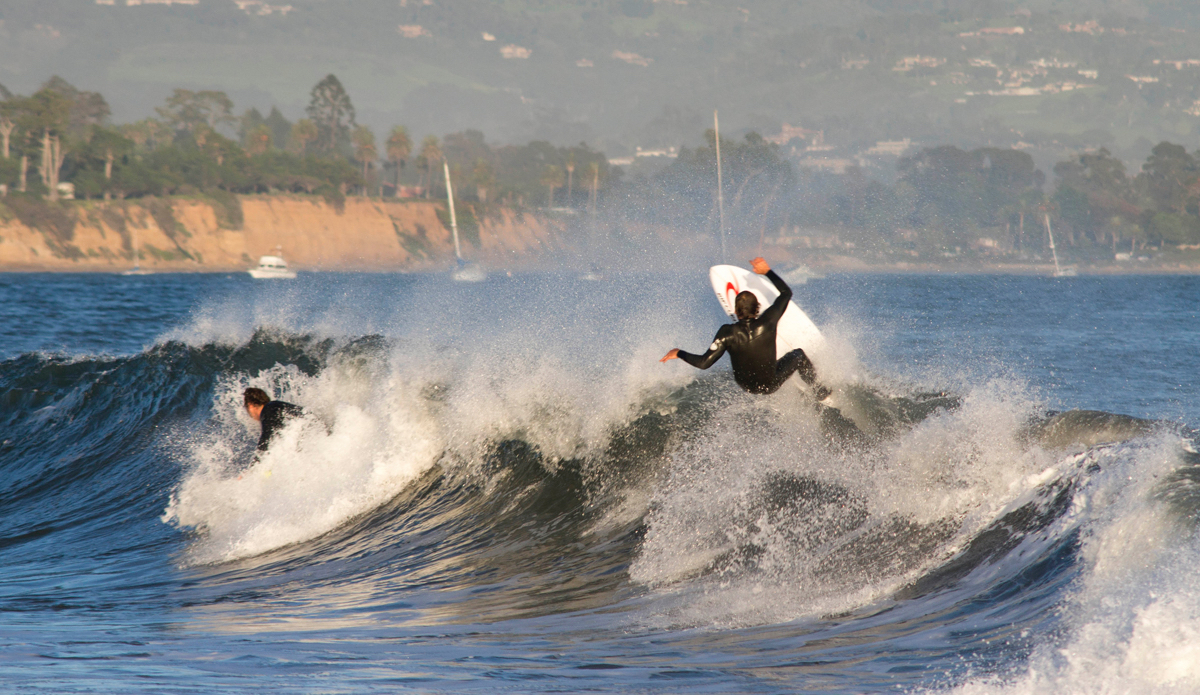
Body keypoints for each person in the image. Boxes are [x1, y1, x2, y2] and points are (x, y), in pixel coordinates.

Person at [660, 257, 830, 398]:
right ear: (758, 308)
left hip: (746, 386)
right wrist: (767, 271)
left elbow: (704, 363)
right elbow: (786, 293)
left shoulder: (727, 333)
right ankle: (820, 391)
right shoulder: (769, 321)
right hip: (771, 384)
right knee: (798, 355)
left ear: (735, 311)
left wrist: (679, 353)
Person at [243, 387, 305, 452]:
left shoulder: (268, 409)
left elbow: (265, 440)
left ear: (250, 405)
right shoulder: (274, 408)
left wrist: (259, 456)